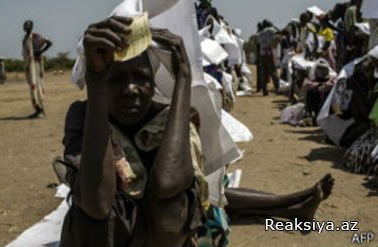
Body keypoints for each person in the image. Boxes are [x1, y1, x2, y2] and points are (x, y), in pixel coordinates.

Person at [59, 15, 334, 247]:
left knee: (172, 206)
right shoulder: (84, 116)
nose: (130, 89)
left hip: (162, 236)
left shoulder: (174, 116)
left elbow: (167, 183)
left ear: (154, 82)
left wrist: (184, 81)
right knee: (89, 217)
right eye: (116, 78)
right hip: (118, 232)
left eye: (141, 78)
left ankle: (295, 203)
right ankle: (293, 203)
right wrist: (95, 83)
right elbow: (97, 202)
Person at [22, 20, 52, 118]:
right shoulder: (25, 38)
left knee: (37, 86)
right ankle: (37, 109)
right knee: (32, 88)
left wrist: (40, 52)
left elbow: (49, 42)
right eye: (24, 25)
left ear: (31, 27)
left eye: (28, 25)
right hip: (29, 66)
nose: (25, 27)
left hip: (35, 65)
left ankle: (41, 110)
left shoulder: (35, 36)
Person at [257, 20, 280, 95]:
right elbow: (279, 32)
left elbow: (258, 42)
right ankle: (277, 88)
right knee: (273, 71)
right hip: (269, 52)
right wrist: (274, 26)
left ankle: (264, 90)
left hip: (262, 53)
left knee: (264, 72)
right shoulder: (270, 30)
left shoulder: (260, 32)